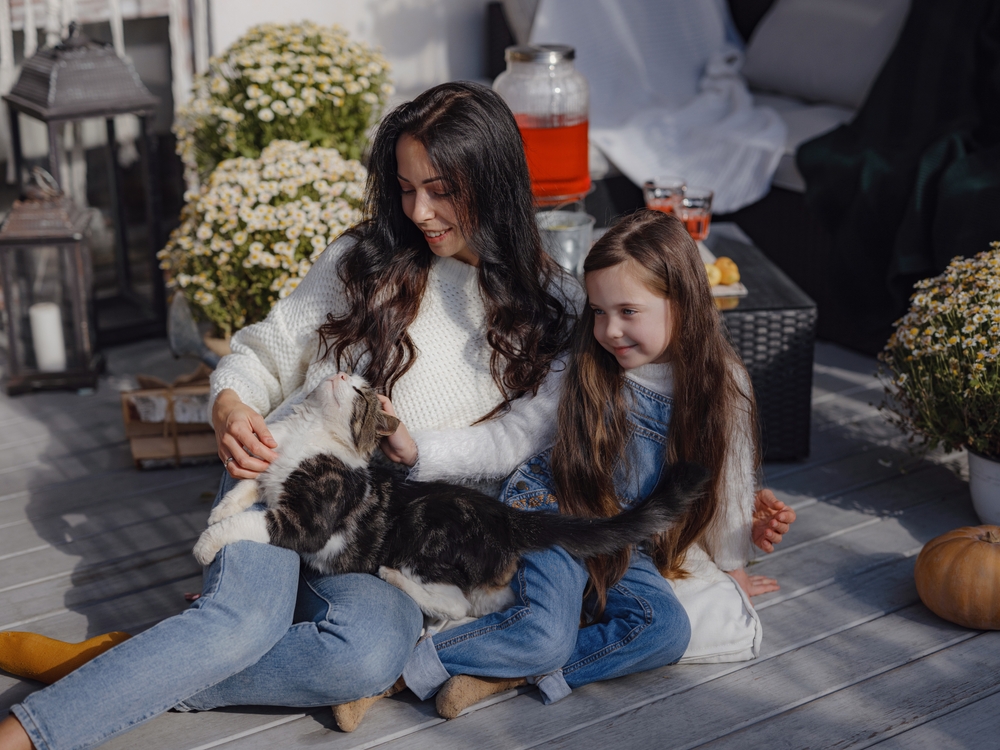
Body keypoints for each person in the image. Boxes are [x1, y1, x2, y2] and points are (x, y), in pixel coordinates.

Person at [0, 81, 577, 750]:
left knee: (365, 657)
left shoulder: (550, 307)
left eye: (441, 189)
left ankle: (138, 660)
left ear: (494, 179)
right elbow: (262, 353)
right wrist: (229, 406)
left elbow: (524, 451)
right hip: (280, 474)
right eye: (406, 186)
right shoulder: (366, 258)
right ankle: (27, 732)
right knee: (244, 623)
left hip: (374, 547)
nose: (418, 210)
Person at [393, 209, 797, 718]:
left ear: (683, 302)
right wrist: (420, 451)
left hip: (627, 540)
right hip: (554, 517)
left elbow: (733, 478)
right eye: (599, 311)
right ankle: (408, 671)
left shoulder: (724, 383)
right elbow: (512, 436)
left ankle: (506, 675)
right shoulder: (582, 367)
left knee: (666, 628)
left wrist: (734, 567)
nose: (609, 330)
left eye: (629, 311)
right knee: (545, 629)